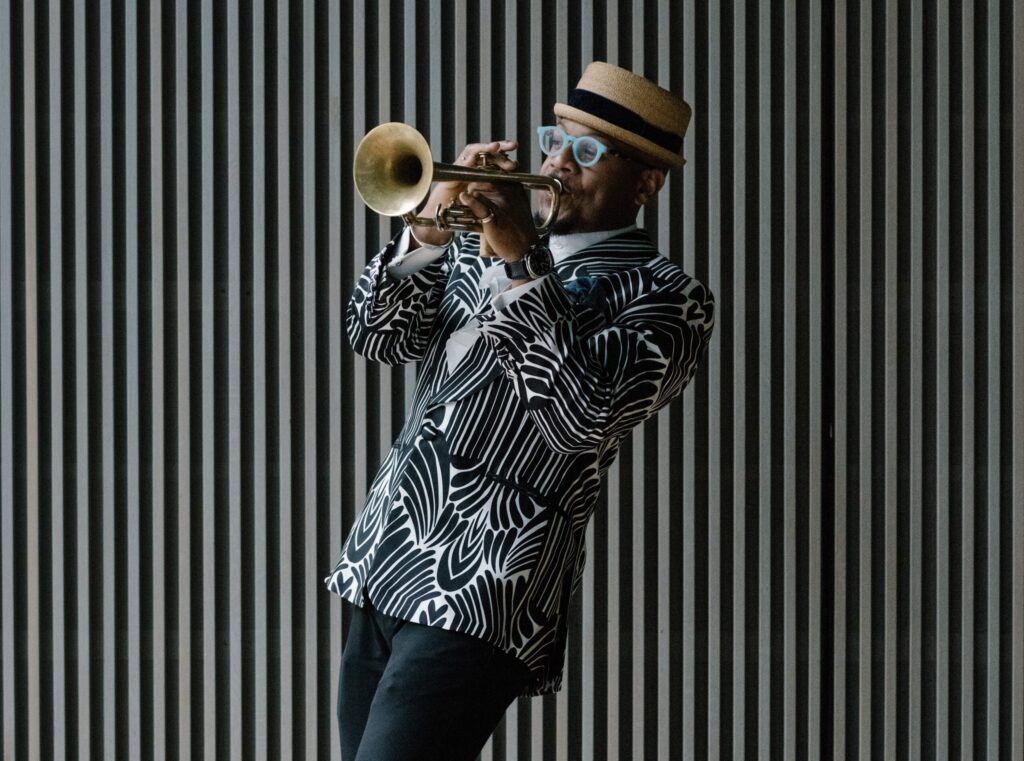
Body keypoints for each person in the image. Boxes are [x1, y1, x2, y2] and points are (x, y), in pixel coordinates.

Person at [325, 61, 715, 761]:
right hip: (385, 559)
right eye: (554, 141)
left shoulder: (668, 296)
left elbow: (582, 417)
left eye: (588, 152)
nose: (559, 163)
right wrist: (427, 230)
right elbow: (376, 334)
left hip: (487, 585)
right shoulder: (477, 245)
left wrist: (519, 262)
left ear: (647, 182)